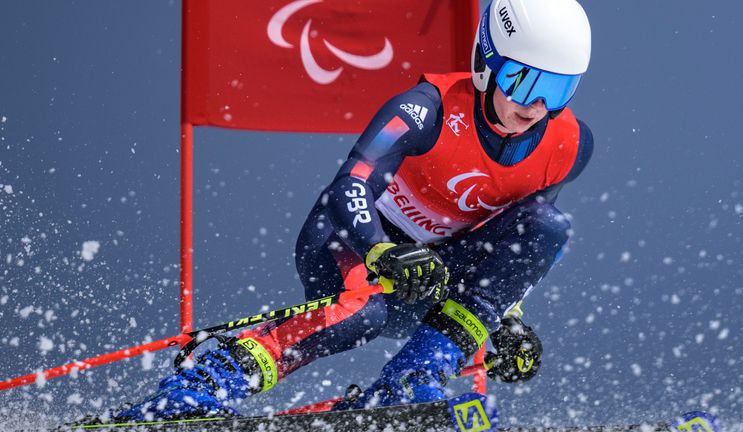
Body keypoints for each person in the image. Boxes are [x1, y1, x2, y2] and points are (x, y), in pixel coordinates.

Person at [113, 0, 594, 421]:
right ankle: (207, 383)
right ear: (487, 63)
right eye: (523, 80)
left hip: (433, 274)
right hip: (349, 241)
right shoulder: (425, 110)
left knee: (551, 227)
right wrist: (380, 251)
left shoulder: (569, 144)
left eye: (557, 90)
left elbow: (516, 239)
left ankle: (412, 377)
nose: (535, 106)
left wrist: (506, 322)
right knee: (363, 311)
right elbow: (351, 184)